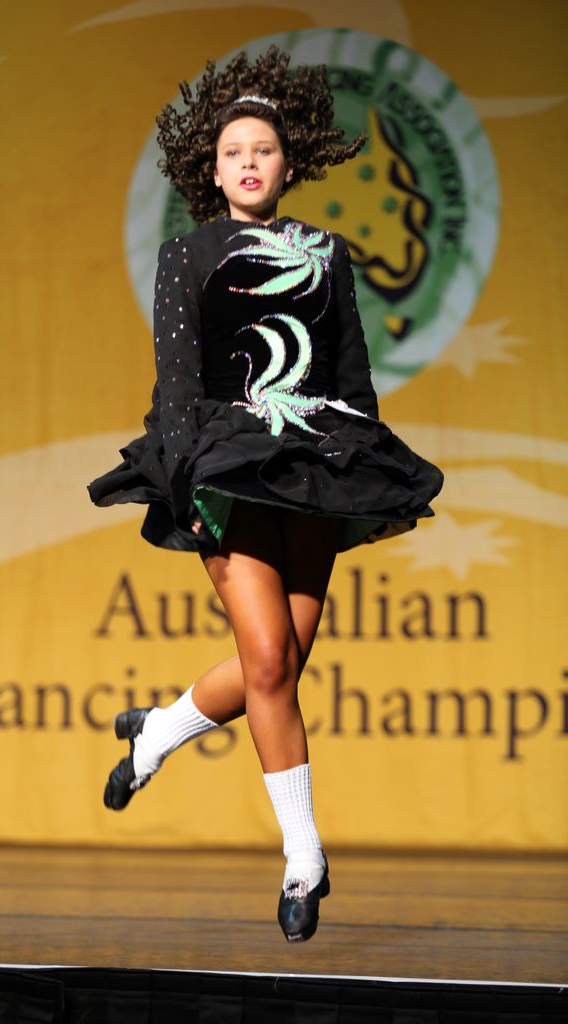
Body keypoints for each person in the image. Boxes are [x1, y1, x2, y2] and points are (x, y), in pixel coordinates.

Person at [88, 46, 444, 943]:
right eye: (232, 153)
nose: (248, 163)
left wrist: (364, 455)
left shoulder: (328, 253)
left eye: (263, 151)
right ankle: (303, 857)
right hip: (225, 463)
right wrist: (182, 476)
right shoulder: (187, 254)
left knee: (274, 667)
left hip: (317, 463)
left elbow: (351, 374)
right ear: (210, 172)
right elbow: (177, 380)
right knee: (269, 663)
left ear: (288, 165)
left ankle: (157, 732)